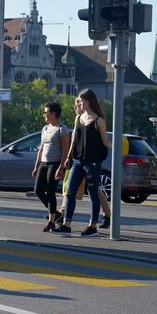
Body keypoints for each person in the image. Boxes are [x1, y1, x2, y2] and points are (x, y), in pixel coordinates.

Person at [56, 89, 111, 236]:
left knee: (93, 193)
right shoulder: (79, 118)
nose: (79, 102)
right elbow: (74, 139)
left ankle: (92, 226)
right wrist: (68, 157)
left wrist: (118, 147)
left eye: (81, 100)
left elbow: (105, 141)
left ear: (89, 101)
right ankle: (67, 224)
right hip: (78, 161)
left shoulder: (99, 120)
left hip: (92, 162)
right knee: (70, 191)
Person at [33, 103, 70, 232]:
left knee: (50, 191)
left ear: (53, 113)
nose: (44, 114)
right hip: (44, 162)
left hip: (55, 163)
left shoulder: (62, 129)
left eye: (46, 112)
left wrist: (61, 167)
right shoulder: (45, 129)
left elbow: (66, 150)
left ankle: (51, 221)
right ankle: (56, 214)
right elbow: (41, 148)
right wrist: (36, 166)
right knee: (38, 190)